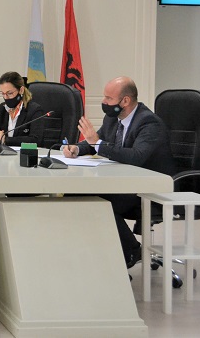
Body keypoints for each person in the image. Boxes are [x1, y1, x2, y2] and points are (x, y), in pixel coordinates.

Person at [63, 76, 175, 268]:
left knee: (98, 203)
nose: (104, 102)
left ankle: (130, 250)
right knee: (75, 195)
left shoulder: (149, 123)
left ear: (125, 101)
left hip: (148, 190)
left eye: (108, 98)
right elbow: (96, 142)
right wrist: (77, 149)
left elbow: (136, 156)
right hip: (125, 185)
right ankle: (104, 252)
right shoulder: (112, 118)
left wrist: (96, 142)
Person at [0, 71, 44, 147]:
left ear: (21, 90)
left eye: (9, 93)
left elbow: (36, 140)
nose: (6, 97)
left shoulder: (34, 110)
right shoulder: (3, 108)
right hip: (4, 153)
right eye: (3, 93)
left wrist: (5, 140)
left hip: (24, 153)